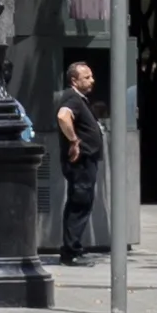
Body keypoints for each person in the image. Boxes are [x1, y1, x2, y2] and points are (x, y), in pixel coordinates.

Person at [52, 60, 100, 263]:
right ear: (74, 80)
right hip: (80, 162)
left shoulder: (79, 99)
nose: (92, 81)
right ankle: (70, 251)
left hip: (85, 161)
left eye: (91, 76)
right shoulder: (72, 97)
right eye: (86, 78)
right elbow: (63, 117)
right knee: (79, 202)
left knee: (82, 201)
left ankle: (73, 247)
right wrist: (74, 141)